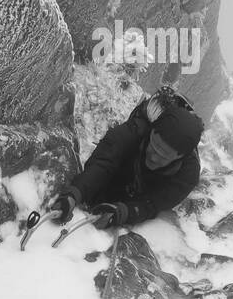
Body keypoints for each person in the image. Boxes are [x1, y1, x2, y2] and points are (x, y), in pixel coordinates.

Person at [51, 88, 204, 229]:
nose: (154, 157)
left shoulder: (187, 175)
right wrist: (74, 194)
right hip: (127, 164)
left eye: (163, 156)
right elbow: (103, 164)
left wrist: (124, 213)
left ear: (179, 157)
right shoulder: (132, 132)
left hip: (148, 186)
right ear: (151, 132)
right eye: (153, 147)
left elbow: (154, 204)